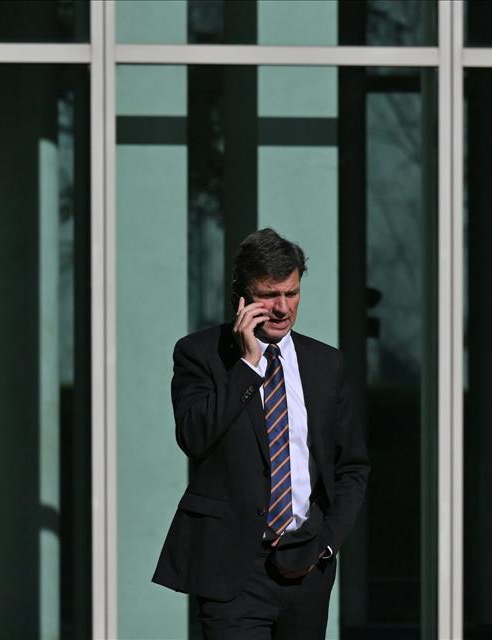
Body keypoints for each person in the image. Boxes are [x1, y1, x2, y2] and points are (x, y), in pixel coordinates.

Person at [152, 228, 370, 639]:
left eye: (292, 293)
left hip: (306, 564)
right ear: (242, 296)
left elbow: (352, 467)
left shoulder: (326, 364)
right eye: (269, 295)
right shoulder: (200, 354)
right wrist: (248, 366)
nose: (282, 308)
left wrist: (326, 544)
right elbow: (194, 438)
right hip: (232, 569)